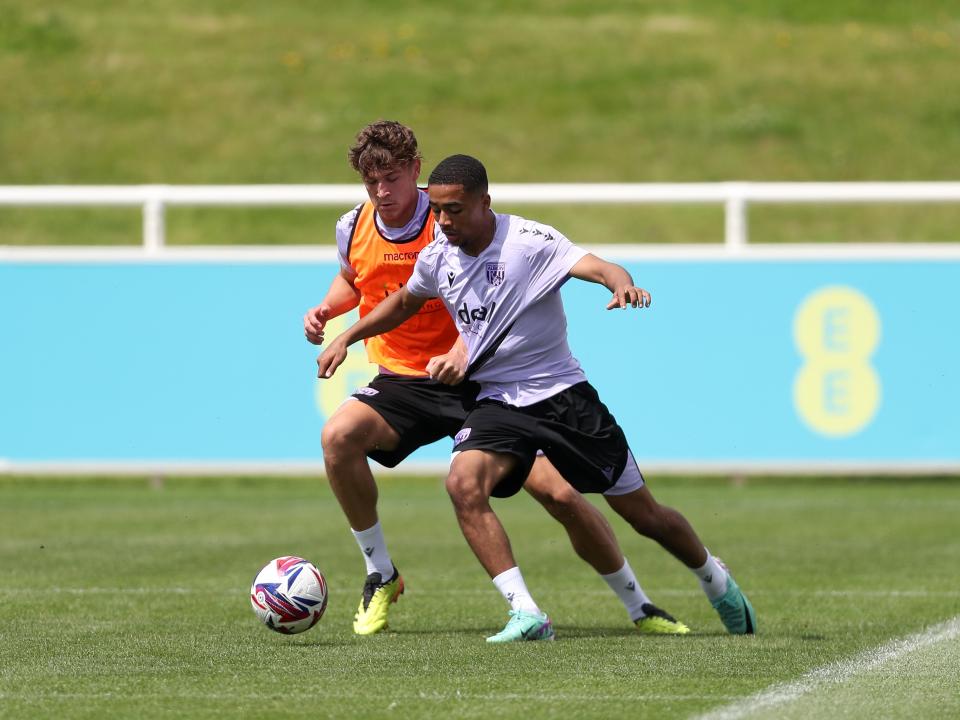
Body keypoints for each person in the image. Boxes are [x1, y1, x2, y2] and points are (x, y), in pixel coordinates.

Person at [317, 152, 757, 643]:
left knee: (643, 515)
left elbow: (597, 266)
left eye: (455, 210)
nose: (443, 222)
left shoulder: (529, 243)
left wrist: (622, 283)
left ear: (486, 202)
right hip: (498, 403)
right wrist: (346, 336)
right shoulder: (438, 255)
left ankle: (714, 581)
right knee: (463, 484)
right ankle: (525, 612)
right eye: (437, 211)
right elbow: (403, 302)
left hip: (565, 399)